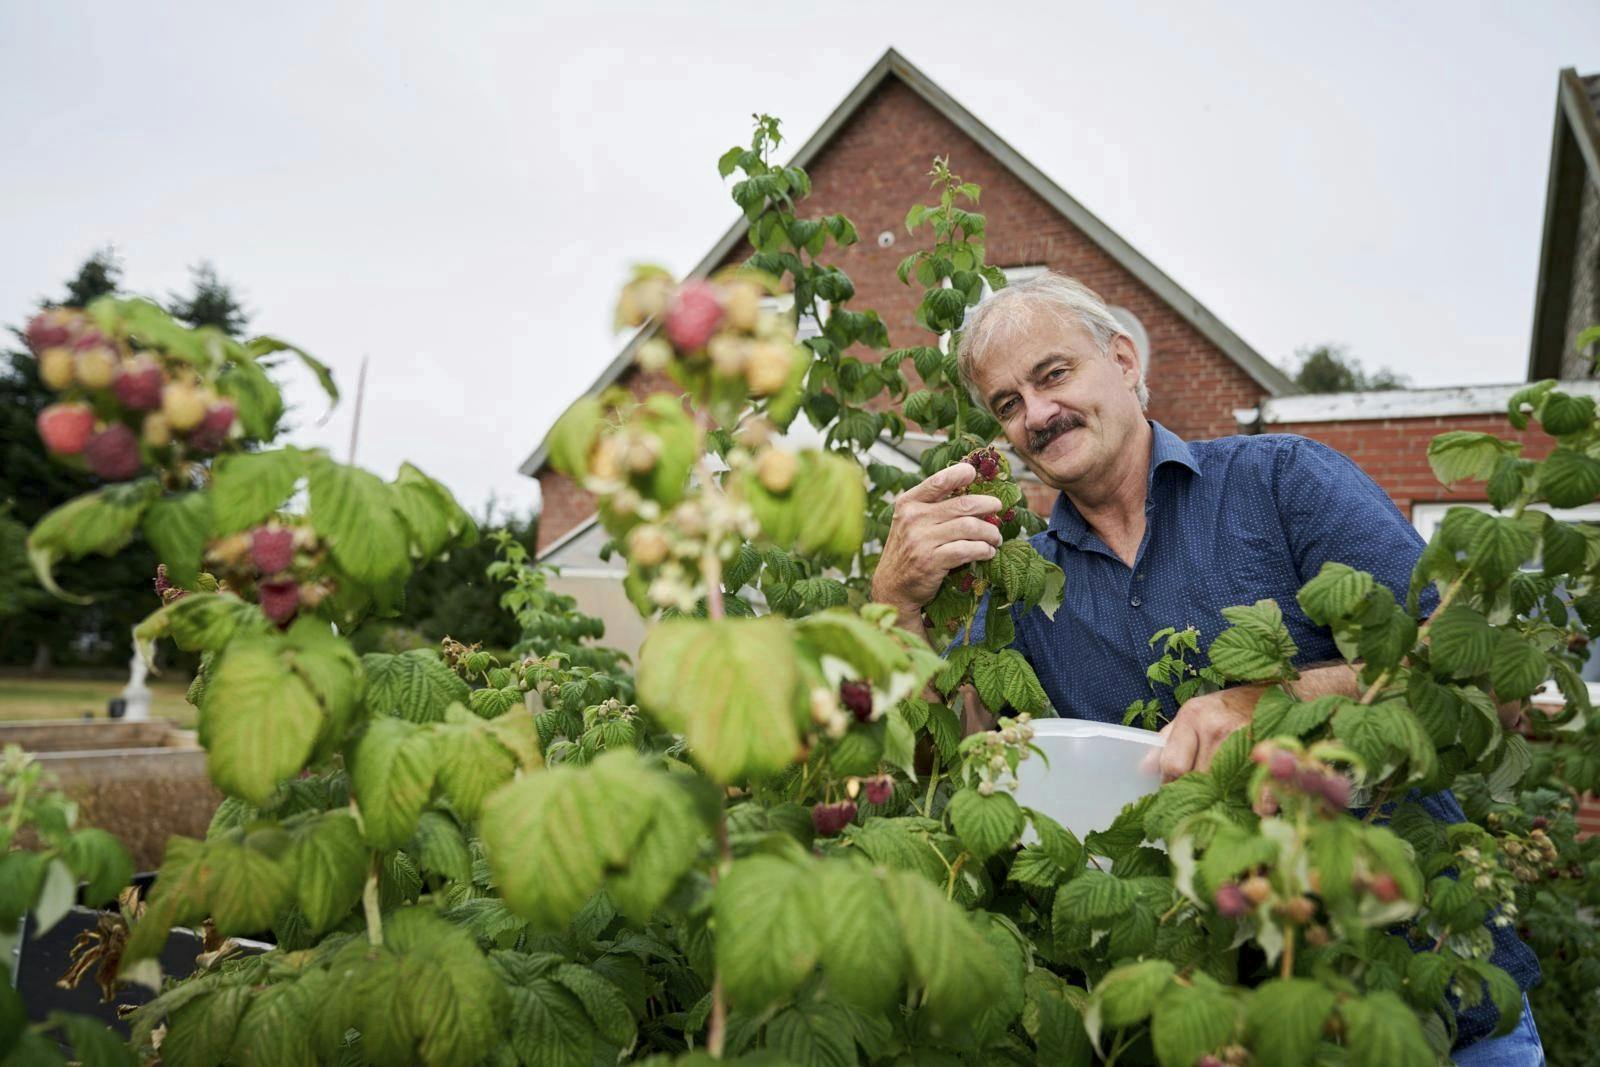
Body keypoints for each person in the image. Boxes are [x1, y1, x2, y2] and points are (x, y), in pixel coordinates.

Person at [870, 272, 1544, 1064]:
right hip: (1214, 1021)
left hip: (1421, 991)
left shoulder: (1284, 481)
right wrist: (895, 609)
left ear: (1123, 360)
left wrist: (1275, 701)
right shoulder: (1020, 589)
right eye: (1007, 404)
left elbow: (1485, 681)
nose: (1037, 415)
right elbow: (949, 766)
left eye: (1053, 375)